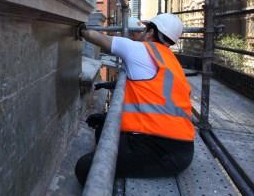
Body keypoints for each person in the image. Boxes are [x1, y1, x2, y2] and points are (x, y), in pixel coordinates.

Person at [75, 13, 194, 185]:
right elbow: (153, 102)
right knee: (103, 130)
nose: (143, 32)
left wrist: (80, 30)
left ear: (151, 32)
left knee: (85, 168)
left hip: (161, 151)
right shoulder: (171, 61)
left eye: (146, 29)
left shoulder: (141, 50)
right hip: (180, 147)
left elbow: (100, 39)